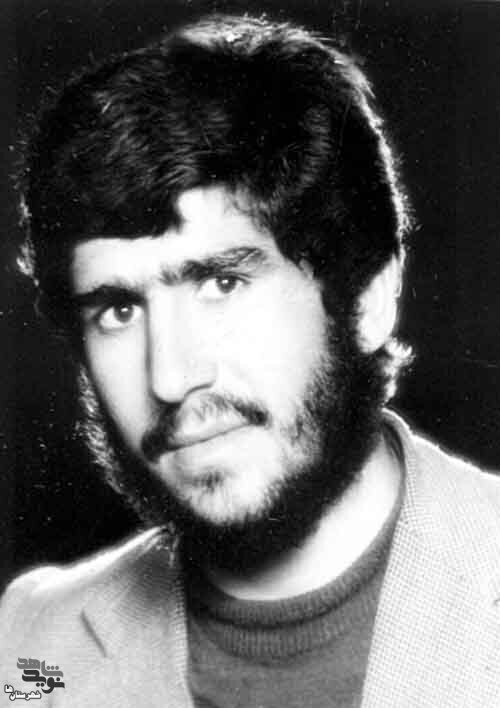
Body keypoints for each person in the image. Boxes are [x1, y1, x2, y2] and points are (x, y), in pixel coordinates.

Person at [1, 14, 499, 708]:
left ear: (366, 300)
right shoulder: (30, 649)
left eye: (222, 283)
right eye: (118, 309)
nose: (171, 378)